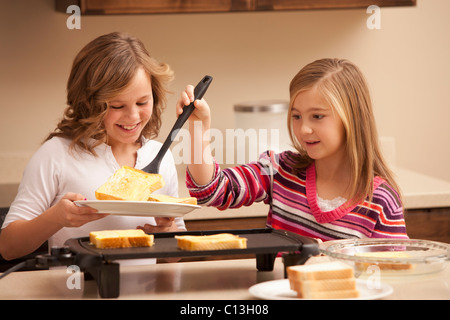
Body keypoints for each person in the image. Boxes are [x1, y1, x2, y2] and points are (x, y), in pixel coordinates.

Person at [0, 32, 185, 261]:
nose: (133, 116)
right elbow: (8, 247)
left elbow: (174, 255)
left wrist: (168, 237)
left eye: (142, 102)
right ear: (88, 104)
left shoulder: (160, 157)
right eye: (117, 105)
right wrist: (56, 218)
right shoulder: (56, 154)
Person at [179, 58, 407, 241]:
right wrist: (198, 126)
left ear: (352, 119)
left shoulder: (381, 201)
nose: (304, 128)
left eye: (317, 116)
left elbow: (392, 274)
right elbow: (211, 191)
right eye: (296, 116)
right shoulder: (280, 170)